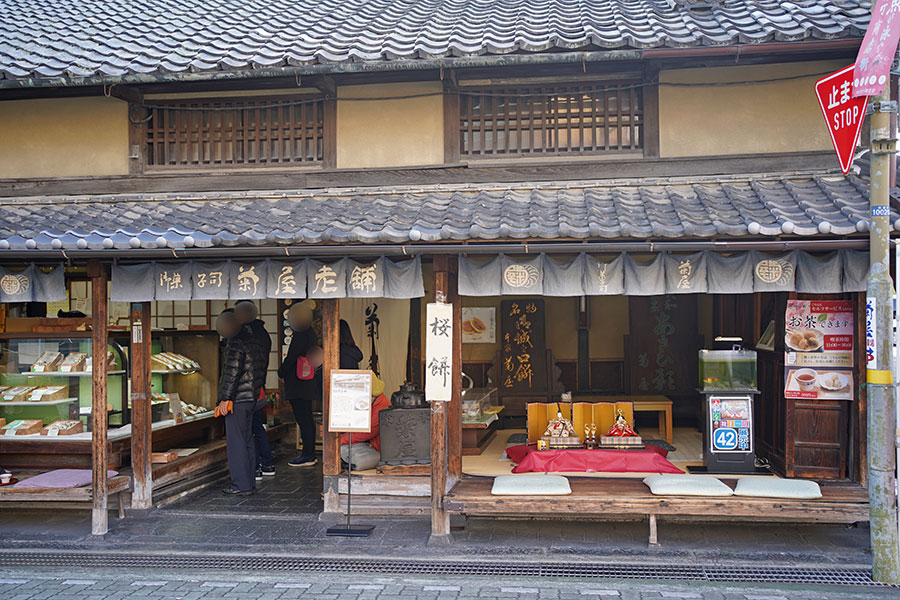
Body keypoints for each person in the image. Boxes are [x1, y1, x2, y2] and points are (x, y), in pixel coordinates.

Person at [215, 309, 260, 495]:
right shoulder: (253, 340)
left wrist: (225, 398)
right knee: (247, 440)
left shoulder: (235, 343)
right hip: (251, 397)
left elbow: (231, 373)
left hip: (237, 399)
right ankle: (248, 482)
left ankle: (240, 484)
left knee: (236, 443)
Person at [234, 300, 275, 480]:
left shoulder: (246, 335)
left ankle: (255, 467)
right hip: (259, 387)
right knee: (257, 427)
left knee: (250, 429)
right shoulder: (263, 333)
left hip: (247, 390)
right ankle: (267, 464)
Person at [277, 300, 320, 467]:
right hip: (307, 381)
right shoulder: (311, 334)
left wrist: (281, 372)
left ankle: (307, 454)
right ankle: (309, 453)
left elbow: (291, 358)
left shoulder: (301, 335)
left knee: (303, 419)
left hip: (299, 383)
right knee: (306, 418)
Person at [340, 375, 391, 471]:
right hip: (370, 445)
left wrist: (339, 441)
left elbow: (366, 432)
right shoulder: (375, 403)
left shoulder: (382, 407)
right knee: (343, 449)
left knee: (353, 455)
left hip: (378, 450)